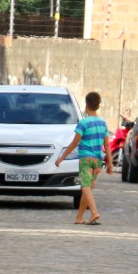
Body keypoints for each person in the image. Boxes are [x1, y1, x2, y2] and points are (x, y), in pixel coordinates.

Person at [56, 91, 113, 225]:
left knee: (85, 187)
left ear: (86, 104)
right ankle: (79, 217)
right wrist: (110, 163)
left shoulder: (83, 123)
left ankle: (94, 212)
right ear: (98, 105)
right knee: (88, 190)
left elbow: (74, 143)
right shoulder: (103, 123)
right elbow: (107, 145)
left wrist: (61, 157)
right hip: (98, 161)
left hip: (86, 159)